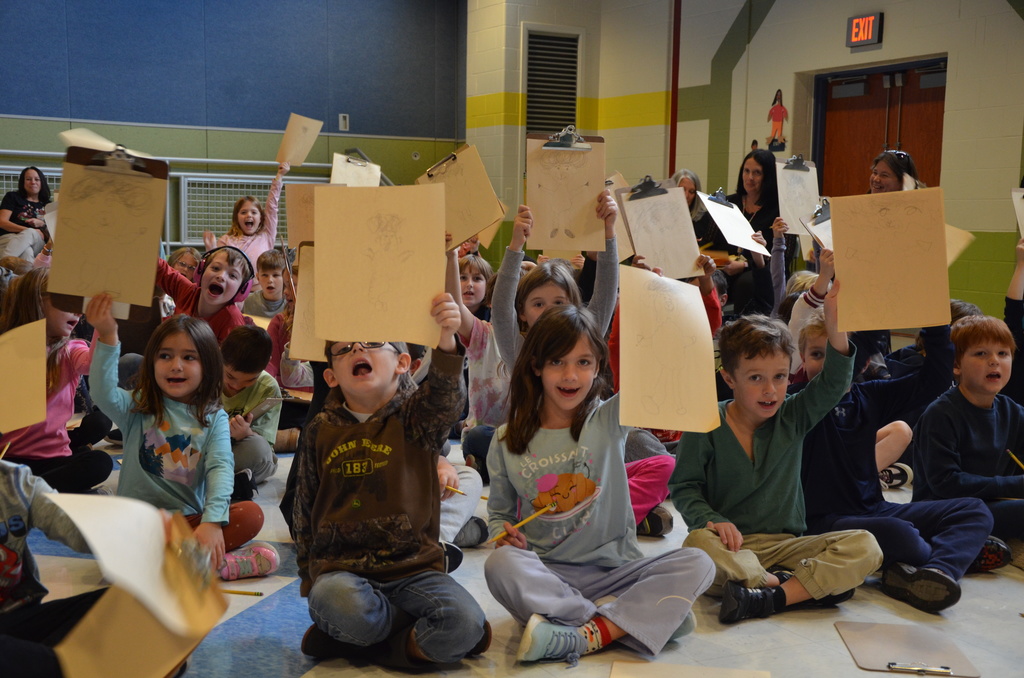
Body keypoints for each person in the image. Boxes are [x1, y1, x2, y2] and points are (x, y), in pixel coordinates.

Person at [485, 305, 715, 665]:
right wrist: (504, 534)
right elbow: (499, 514)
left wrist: (655, 305)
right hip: (549, 577)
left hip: (619, 572)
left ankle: (582, 633)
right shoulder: (504, 441)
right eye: (558, 361)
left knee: (700, 561)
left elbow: (664, 365)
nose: (571, 374)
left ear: (597, 367)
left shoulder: (609, 417)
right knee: (500, 565)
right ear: (536, 366)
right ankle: (631, 622)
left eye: (583, 362)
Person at [293, 293, 489, 668]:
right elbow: (304, 502)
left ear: (402, 363)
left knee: (465, 624)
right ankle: (401, 632)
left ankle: (361, 644)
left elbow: (446, 400)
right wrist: (308, 575)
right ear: (331, 374)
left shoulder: (416, 419)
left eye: (370, 342)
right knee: (334, 603)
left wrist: (446, 339)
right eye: (344, 348)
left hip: (414, 569)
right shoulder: (320, 428)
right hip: (342, 571)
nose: (357, 350)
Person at [670, 284, 884, 624]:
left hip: (788, 547)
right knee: (697, 544)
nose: (770, 390)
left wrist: (835, 323)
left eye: (780, 377)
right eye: (756, 378)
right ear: (729, 378)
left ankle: (767, 596)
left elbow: (833, 382)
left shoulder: (793, 414)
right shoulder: (706, 424)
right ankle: (795, 589)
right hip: (733, 551)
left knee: (866, 545)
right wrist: (713, 520)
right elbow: (684, 488)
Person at [796, 310, 1001, 612]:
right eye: (816, 354)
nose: (828, 364)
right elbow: (841, 370)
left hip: (874, 508)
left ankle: (938, 571)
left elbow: (935, 379)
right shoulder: (796, 404)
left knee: (974, 509)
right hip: (823, 522)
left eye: (836, 354)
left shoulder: (870, 396)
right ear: (801, 358)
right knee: (900, 534)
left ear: (862, 362)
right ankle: (957, 553)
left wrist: (932, 316)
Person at [86, 296, 278, 582]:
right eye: (165, 356)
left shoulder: (215, 418)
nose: (176, 365)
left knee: (250, 514)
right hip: (139, 522)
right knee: (98, 527)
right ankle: (207, 564)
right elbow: (102, 392)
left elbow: (221, 469)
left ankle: (184, 561)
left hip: (189, 523)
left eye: (189, 357)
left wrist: (212, 522)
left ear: (208, 366)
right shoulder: (137, 406)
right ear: (152, 362)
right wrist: (109, 335)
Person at [912, 315, 1024, 569]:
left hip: (988, 504)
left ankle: (980, 545)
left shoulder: (1012, 411)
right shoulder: (941, 413)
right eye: (981, 353)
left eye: (1003, 353)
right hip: (943, 510)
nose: (994, 360)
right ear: (956, 365)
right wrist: (1015, 486)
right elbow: (946, 484)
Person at [0, 268, 113, 493]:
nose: (78, 312)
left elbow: (92, 365)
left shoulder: (70, 348)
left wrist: (105, 328)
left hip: (53, 457)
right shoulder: (8, 347)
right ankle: (33, 493)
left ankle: (25, 494)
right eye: (67, 302)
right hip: (8, 458)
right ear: (36, 301)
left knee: (99, 461)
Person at [0, 461, 102, 678]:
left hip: (16, 617)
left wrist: (146, 532)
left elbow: (76, 527)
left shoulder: (14, 481)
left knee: (122, 604)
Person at [726, 149, 787, 314]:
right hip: (725, 265)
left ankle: (744, 332)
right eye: (746, 171)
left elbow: (779, 258)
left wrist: (745, 265)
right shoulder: (729, 202)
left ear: (767, 176)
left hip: (759, 270)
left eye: (757, 173)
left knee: (747, 282)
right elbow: (714, 240)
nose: (750, 178)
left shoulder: (778, 210)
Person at [220, 325, 282, 487]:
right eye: (230, 376)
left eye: (249, 380)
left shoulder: (268, 388)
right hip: (205, 446)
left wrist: (244, 433)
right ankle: (231, 482)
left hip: (239, 449)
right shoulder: (204, 373)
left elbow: (264, 442)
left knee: (258, 450)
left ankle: (216, 480)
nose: (236, 385)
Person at [203, 163, 290, 273]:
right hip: (236, 290)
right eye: (243, 212)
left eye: (254, 212)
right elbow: (216, 267)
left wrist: (279, 176)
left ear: (261, 218)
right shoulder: (226, 240)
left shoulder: (266, 235)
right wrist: (211, 248)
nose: (249, 215)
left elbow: (272, 207)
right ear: (236, 218)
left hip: (262, 289)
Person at [156, 245, 252, 343]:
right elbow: (159, 268)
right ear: (201, 271)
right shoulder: (188, 291)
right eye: (215, 268)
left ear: (242, 290)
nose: (221, 276)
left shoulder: (233, 323)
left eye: (232, 275)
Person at [667, 168, 728, 253]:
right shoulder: (662, 217)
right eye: (682, 190)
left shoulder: (705, 219)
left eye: (691, 192)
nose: (686, 195)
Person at [0, 167, 51, 260]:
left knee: (30, 234)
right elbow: (2, 222)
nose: (33, 182)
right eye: (28, 179)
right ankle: (21, 274)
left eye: (37, 179)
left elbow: (54, 234)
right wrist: (27, 230)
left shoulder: (48, 205)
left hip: (38, 242)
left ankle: (3, 268)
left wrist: (42, 224)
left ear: (42, 182)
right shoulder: (12, 197)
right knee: (27, 252)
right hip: (9, 238)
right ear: (22, 182)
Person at [242, 249, 288, 318]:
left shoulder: (291, 303)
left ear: (285, 277)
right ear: (258, 277)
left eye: (275, 275)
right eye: (265, 275)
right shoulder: (247, 301)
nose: (270, 280)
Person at [160, 246, 202, 317]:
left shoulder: (194, 296)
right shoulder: (159, 286)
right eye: (182, 264)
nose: (185, 269)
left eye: (191, 268)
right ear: (173, 262)